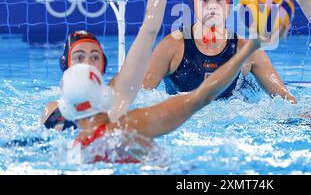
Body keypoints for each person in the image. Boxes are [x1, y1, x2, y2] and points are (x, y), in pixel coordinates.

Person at [41, 0, 199, 130]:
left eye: (94, 56)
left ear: (103, 65)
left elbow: (149, 29)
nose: (88, 62)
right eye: (79, 57)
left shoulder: (117, 95)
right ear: (66, 65)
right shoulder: (52, 110)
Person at [58, 36, 265, 163]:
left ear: (66, 109)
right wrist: (249, 47)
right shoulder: (130, 125)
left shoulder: (68, 151)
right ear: (105, 96)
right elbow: (203, 96)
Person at [141, 0, 297, 102]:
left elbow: (285, 101)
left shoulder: (247, 49)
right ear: (194, 5)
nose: (212, 5)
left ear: (228, 7)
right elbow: (141, 98)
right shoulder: (172, 46)